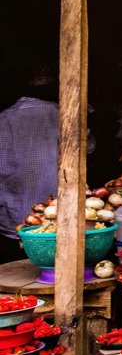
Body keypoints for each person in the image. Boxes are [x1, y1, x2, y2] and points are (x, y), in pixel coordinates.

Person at [0, 66, 60, 263]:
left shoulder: (4, 118)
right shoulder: (61, 113)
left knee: (19, 266)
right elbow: (88, 147)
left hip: (14, 214)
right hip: (55, 214)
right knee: (53, 260)